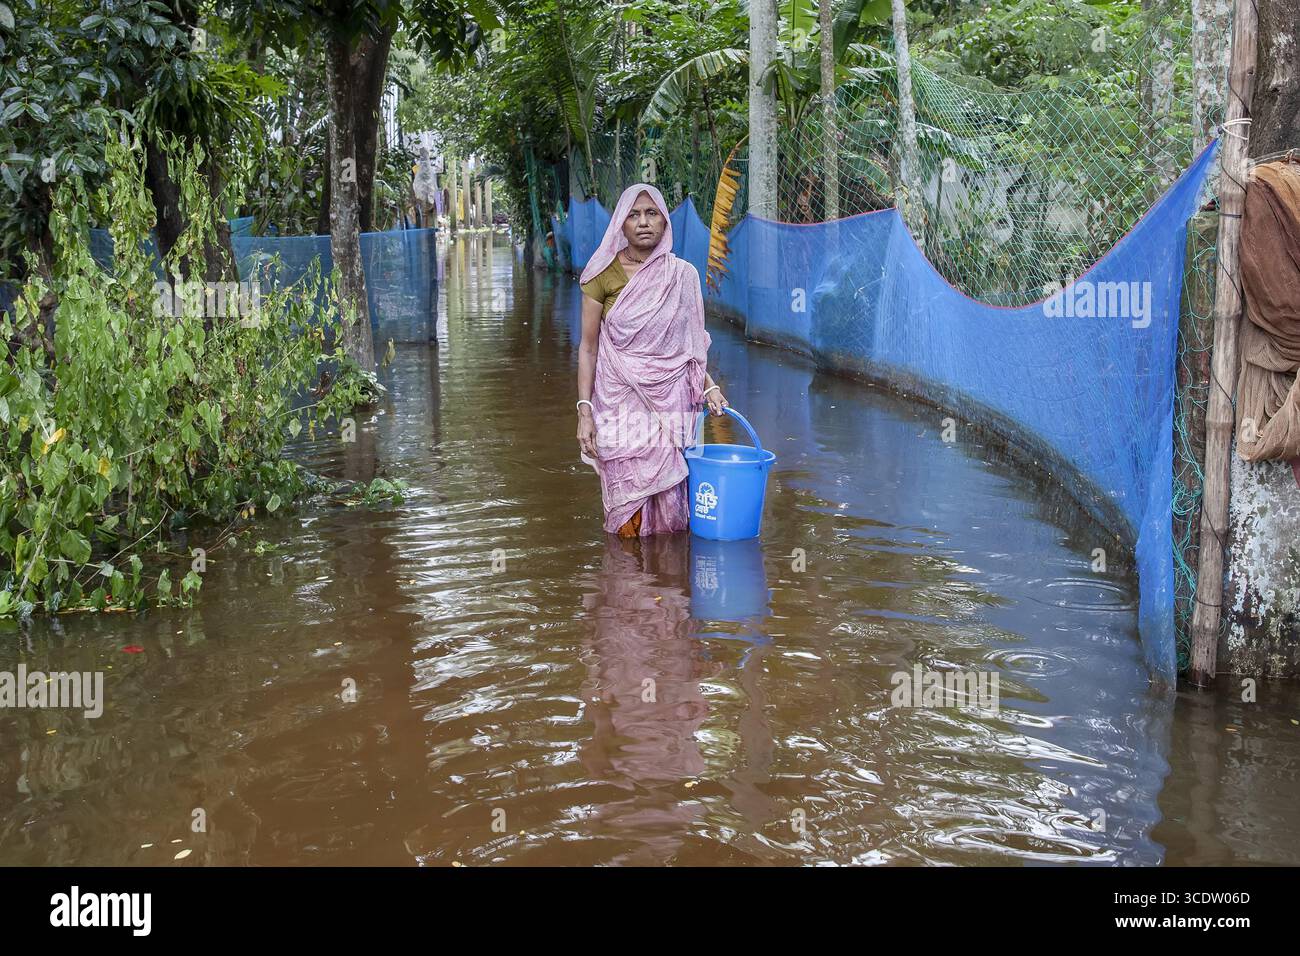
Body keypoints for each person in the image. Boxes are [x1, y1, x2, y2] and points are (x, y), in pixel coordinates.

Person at [576, 183, 728, 538]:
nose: (643, 222)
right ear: (620, 224)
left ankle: (668, 588)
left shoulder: (683, 276)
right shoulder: (602, 275)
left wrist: (711, 387)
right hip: (618, 403)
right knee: (625, 513)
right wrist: (585, 412)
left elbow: (691, 348)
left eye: (651, 213)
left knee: (672, 511)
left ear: (664, 222)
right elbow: (588, 348)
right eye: (633, 214)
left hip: (670, 404)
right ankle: (627, 588)